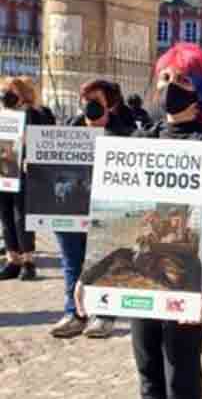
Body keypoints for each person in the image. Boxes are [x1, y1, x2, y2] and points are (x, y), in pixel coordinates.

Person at [77, 43, 202, 398]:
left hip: (186, 271)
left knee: (182, 369)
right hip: (143, 268)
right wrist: (90, 274)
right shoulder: (145, 138)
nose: (170, 85)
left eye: (183, 80)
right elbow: (112, 206)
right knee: (148, 369)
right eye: (164, 77)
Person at [49, 79, 133, 339]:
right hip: (72, 208)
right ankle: (75, 313)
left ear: (111, 104)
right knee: (72, 262)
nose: (88, 105)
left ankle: (104, 315)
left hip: (107, 210)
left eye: (95, 100)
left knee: (104, 262)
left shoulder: (125, 133)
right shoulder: (67, 130)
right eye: (84, 99)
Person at [0, 76, 54, 280]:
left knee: (21, 216)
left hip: (24, 173)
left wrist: (30, 150)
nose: (7, 95)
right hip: (4, 169)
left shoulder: (36, 114)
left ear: (23, 94)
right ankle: (12, 259)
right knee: (5, 215)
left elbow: (46, 139)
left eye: (12, 91)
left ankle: (28, 261)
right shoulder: (3, 114)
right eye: (5, 91)